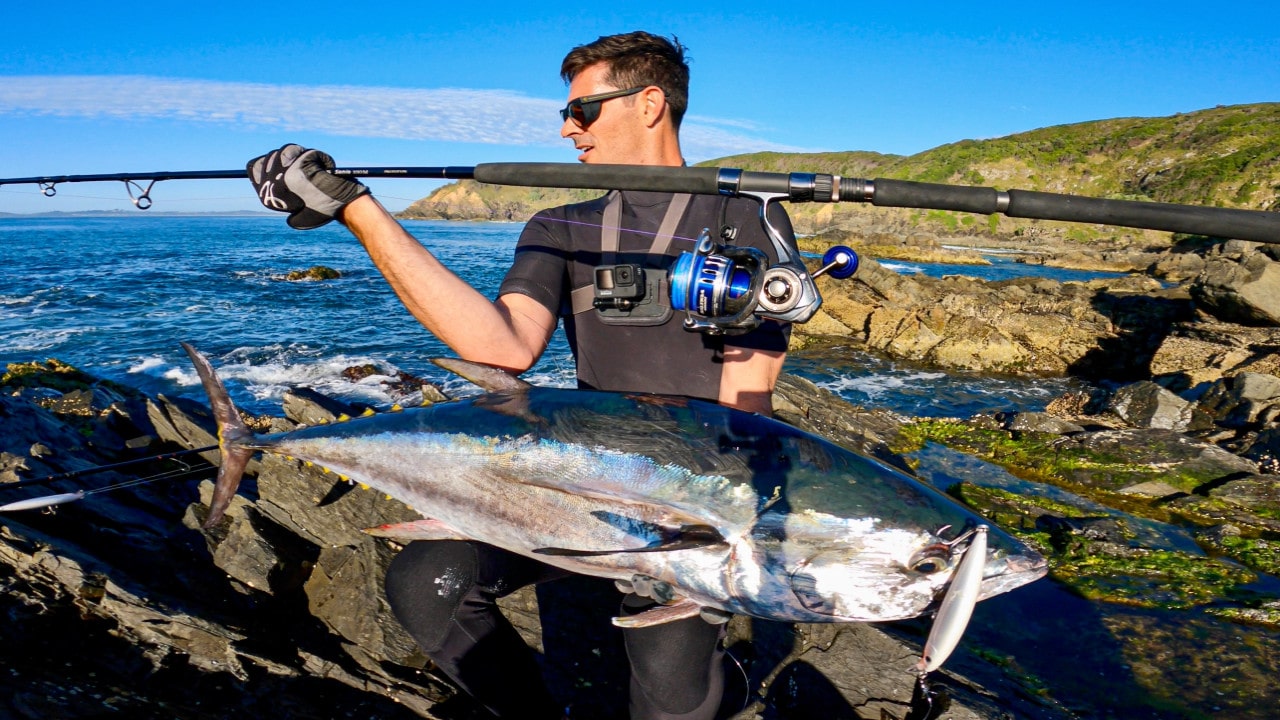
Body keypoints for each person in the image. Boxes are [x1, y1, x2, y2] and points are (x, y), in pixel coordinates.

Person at [246, 31, 796, 720]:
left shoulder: (745, 216)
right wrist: (359, 210)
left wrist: (716, 536)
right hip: (580, 478)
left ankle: (730, 672)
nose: (568, 128)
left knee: (670, 697)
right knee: (427, 583)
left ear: (650, 102)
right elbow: (502, 346)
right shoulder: (559, 225)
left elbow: (752, 393)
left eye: (584, 110)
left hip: (692, 502)